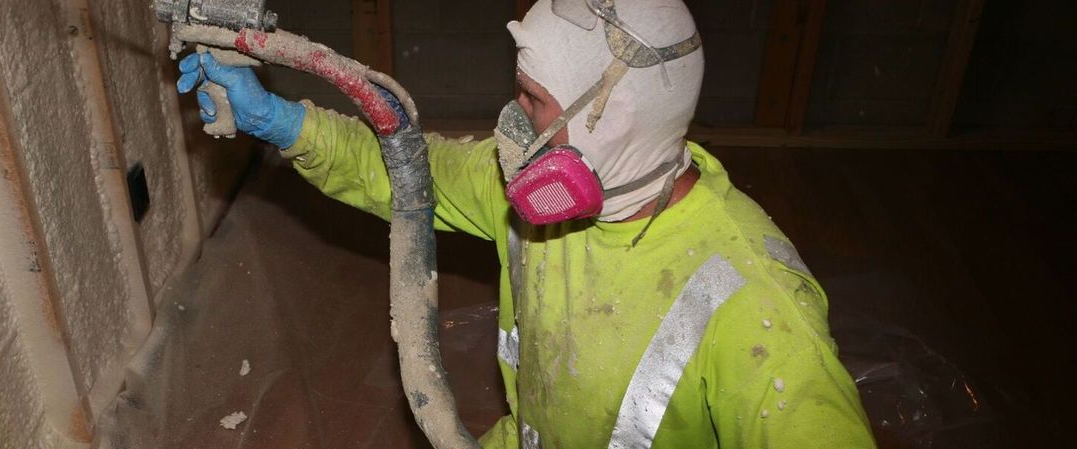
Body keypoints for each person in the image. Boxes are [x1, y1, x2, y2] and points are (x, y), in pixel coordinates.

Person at [175, 0, 876, 447]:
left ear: (614, 119)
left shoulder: (757, 311)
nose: (512, 126)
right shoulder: (528, 189)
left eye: (533, 101)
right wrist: (278, 118)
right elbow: (410, 174)